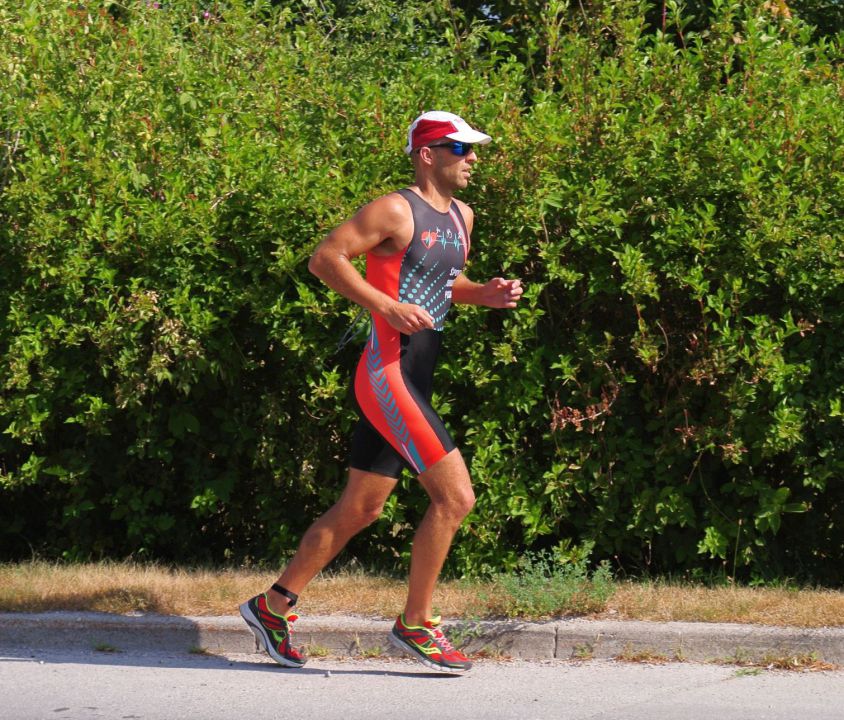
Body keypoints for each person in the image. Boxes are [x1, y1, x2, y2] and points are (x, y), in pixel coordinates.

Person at [240, 110, 523, 673]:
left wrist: (483, 294)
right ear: (428, 155)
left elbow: (442, 286)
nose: (472, 159)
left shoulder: (463, 216)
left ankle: (272, 606)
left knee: (361, 508)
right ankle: (415, 625)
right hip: (387, 373)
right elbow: (326, 258)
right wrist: (383, 305)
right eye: (461, 150)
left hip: (417, 372)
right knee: (456, 497)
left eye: (472, 150)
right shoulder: (394, 209)